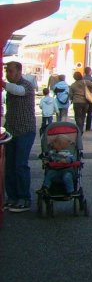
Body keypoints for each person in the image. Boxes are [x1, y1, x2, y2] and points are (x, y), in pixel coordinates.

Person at [2, 61, 37, 212]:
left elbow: (19, 91)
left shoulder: (26, 85)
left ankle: (24, 198)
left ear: (19, 71)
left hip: (25, 131)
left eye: (10, 71)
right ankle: (12, 197)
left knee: (20, 165)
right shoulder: (11, 88)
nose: (8, 74)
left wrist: (2, 84)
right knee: (9, 166)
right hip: (11, 131)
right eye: (7, 71)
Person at [83, 66, 92, 131]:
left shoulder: (82, 78)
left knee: (82, 113)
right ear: (90, 71)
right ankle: (88, 127)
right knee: (89, 112)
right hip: (90, 96)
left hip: (82, 96)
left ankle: (81, 126)